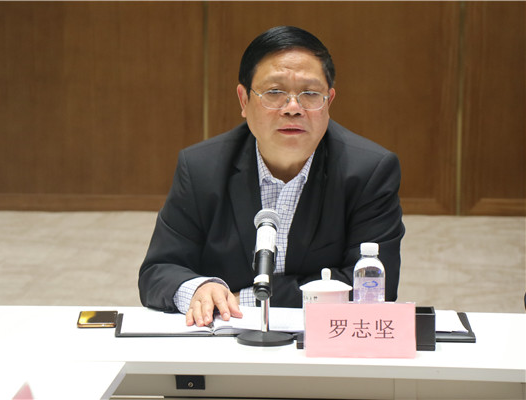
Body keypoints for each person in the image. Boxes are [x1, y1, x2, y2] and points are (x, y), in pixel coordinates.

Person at [138, 26, 405, 327]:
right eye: (275, 92)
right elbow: (158, 271)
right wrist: (199, 290)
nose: (293, 108)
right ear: (244, 100)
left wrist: (243, 299)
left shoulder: (369, 171)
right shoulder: (201, 167)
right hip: (224, 339)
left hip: (321, 338)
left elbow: (373, 286)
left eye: (310, 93)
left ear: (329, 101)